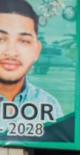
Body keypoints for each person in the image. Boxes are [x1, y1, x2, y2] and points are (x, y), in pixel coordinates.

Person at [0, 0, 63, 128]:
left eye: (24, 41)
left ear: (37, 51)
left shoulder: (48, 104)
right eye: (0, 39)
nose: (11, 52)